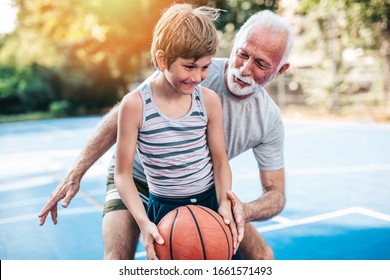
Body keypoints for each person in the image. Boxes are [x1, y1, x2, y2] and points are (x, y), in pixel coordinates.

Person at [39, 8, 294, 260]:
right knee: (116, 260)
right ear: (236, 43)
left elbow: (273, 192)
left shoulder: (263, 117)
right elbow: (117, 121)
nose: (245, 69)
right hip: (138, 178)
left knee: (261, 257)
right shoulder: (185, 66)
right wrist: (75, 174)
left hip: (198, 186)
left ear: (280, 70)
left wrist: (242, 209)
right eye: (242, 54)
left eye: (260, 64)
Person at [114, 3, 241, 260]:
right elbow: (123, 174)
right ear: (162, 59)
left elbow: (220, 161)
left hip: (210, 202)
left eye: (204, 67)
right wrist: (142, 222)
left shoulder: (208, 100)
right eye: (190, 66)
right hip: (164, 209)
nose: (197, 76)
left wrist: (225, 202)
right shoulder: (135, 105)